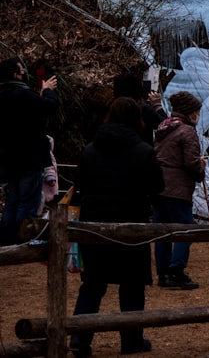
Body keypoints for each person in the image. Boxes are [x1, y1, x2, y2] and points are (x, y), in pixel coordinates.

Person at [69, 98, 164, 357]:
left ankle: (79, 337)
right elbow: (157, 187)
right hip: (131, 223)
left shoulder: (90, 150)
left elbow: (80, 185)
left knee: (92, 283)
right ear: (137, 119)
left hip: (95, 224)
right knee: (132, 284)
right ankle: (132, 339)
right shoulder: (143, 151)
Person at [0, 57, 59, 245]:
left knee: (12, 200)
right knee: (27, 201)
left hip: (8, 157)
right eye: (21, 70)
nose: (24, 73)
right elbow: (49, 108)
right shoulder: (23, 95)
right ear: (15, 74)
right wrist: (47, 92)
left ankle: (6, 239)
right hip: (30, 157)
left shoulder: (2, 94)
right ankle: (21, 240)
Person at [152, 91, 205, 290]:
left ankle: (163, 273)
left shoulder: (163, 127)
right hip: (177, 187)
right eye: (196, 112)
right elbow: (191, 163)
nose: (197, 115)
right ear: (189, 112)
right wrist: (201, 170)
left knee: (162, 231)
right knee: (185, 229)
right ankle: (176, 270)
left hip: (159, 186)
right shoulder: (187, 131)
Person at [113, 73, 167, 147]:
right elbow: (167, 127)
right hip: (142, 153)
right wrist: (157, 105)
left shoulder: (112, 108)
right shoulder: (143, 109)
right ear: (138, 90)